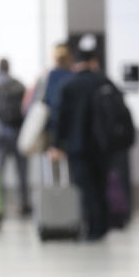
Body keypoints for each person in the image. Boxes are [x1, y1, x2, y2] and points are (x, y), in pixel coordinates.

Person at [48, 50, 111, 241]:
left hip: (77, 145)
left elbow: (59, 117)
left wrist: (56, 144)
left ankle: (92, 228)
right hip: (102, 144)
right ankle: (103, 225)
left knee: (85, 187)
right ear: (92, 62)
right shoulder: (103, 81)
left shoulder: (67, 84)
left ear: (75, 63)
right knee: (100, 185)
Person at [0, 57, 31, 217]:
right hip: (17, 132)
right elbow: (27, 108)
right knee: (21, 172)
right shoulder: (19, 84)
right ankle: (24, 204)